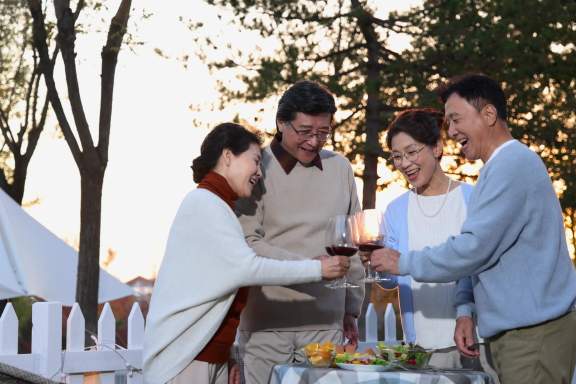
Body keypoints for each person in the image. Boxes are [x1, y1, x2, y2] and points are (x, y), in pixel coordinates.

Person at [371, 74, 576, 384]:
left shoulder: (510, 165)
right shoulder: (501, 167)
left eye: (456, 119)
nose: (452, 130)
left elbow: (473, 249)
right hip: (524, 334)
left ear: (488, 114)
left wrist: (401, 262)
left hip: (533, 336)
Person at [143, 123, 351, 384]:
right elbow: (247, 269)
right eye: (255, 161)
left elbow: (214, 292)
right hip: (185, 359)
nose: (259, 173)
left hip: (207, 356)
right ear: (228, 156)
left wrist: (227, 353)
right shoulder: (203, 203)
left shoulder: (219, 206)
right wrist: (317, 269)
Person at [235, 80, 365, 384]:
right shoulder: (255, 167)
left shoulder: (340, 169)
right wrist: (313, 268)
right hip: (264, 325)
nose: (314, 141)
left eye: (323, 132)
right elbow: (247, 242)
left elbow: (354, 241)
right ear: (281, 123)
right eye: (305, 131)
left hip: (325, 324)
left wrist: (352, 309)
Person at [375, 108, 476, 369]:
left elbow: (479, 266)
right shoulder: (396, 210)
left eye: (411, 152)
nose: (404, 163)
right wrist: (376, 261)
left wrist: (467, 313)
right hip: (422, 347)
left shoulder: (471, 198)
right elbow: (390, 281)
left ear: (437, 148)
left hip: (475, 338)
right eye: (397, 156)